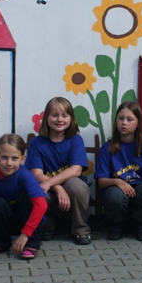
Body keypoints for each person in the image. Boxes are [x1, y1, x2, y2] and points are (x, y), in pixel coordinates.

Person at [94, 101, 142, 241]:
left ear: (138, 123)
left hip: (140, 195)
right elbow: (101, 181)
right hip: (117, 194)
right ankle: (116, 225)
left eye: (129, 119)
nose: (124, 123)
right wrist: (118, 182)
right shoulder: (107, 148)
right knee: (114, 195)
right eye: (121, 118)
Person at [25, 97, 92, 245]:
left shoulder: (75, 140)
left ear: (71, 119)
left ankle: (81, 230)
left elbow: (76, 170)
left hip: (72, 194)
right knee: (40, 190)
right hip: (50, 193)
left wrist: (51, 182)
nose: (59, 119)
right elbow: (36, 174)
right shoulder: (36, 143)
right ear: (46, 118)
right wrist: (58, 188)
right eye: (54, 115)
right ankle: (46, 227)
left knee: (76, 185)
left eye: (64, 115)